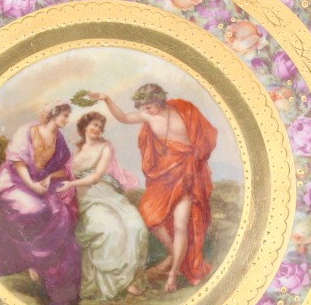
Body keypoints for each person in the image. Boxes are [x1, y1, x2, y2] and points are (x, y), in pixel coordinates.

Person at [89, 83, 217, 293]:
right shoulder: (148, 116)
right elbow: (123, 117)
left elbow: (206, 135)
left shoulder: (184, 110)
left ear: (159, 101)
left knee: (181, 225)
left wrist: (196, 158)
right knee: (149, 216)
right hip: (164, 177)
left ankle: (173, 275)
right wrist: (107, 99)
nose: (145, 111)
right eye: (142, 108)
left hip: (187, 175)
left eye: (148, 107)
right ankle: (176, 256)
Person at [0, 102, 81, 305]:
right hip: (16, 180)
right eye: (65, 116)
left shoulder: (59, 139)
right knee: (33, 209)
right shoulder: (28, 131)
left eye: (68, 116)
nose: (67, 120)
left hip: (41, 184)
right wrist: (32, 185)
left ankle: (47, 270)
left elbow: (65, 168)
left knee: (61, 212)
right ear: (53, 114)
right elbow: (18, 163)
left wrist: (49, 177)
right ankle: (31, 261)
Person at [56, 112, 148, 300]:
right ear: (85, 126)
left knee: (136, 226)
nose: (97, 129)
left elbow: (96, 177)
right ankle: (114, 281)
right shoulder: (76, 151)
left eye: (100, 126)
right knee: (110, 229)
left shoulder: (106, 147)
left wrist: (71, 184)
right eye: (94, 125)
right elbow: (66, 172)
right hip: (89, 198)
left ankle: (128, 278)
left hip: (108, 194)